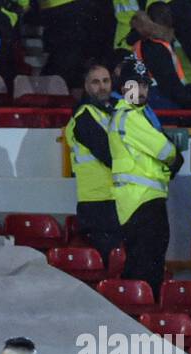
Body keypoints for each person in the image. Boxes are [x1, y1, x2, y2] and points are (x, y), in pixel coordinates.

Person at [110, 58, 182, 301]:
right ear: (123, 88)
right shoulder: (130, 117)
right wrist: (172, 155)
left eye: (144, 86)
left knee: (144, 265)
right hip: (143, 202)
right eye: (135, 85)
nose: (140, 91)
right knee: (146, 269)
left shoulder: (132, 115)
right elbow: (166, 151)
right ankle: (141, 320)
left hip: (138, 201)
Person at [64, 62, 121, 265]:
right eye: (95, 82)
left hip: (114, 197)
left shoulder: (111, 112)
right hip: (97, 202)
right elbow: (109, 154)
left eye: (105, 81)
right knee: (108, 262)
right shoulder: (84, 117)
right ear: (86, 86)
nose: (102, 86)